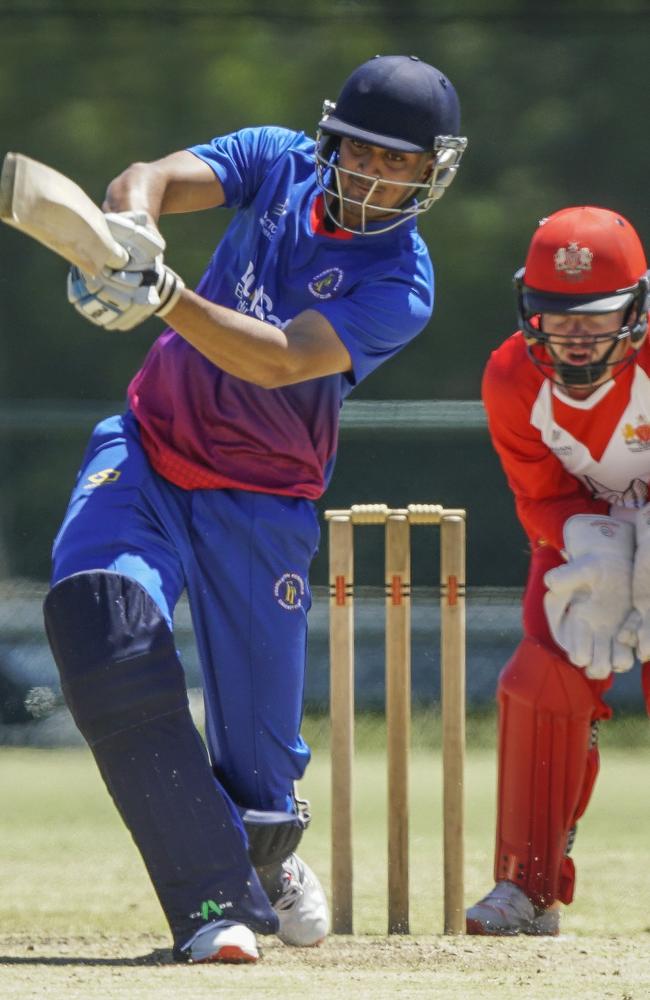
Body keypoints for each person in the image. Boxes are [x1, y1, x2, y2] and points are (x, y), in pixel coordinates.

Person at [42, 54, 467, 963]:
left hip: (264, 501)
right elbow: (149, 176)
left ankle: (263, 861)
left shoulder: (403, 281)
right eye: (366, 153)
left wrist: (161, 296)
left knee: (263, 799)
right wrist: (130, 232)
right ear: (334, 142)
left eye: (404, 164)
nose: (380, 176)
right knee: (100, 621)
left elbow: (278, 358)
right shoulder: (277, 159)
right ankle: (211, 906)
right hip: (149, 450)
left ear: (433, 173)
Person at [467, 205, 650, 936]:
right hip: (584, 536)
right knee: (544, 676)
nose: (574, 335)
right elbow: (537, 492)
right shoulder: (512, 376)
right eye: (554, 314)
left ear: (635, 309)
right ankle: (527, 887)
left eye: (596, 316)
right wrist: (597, 544)